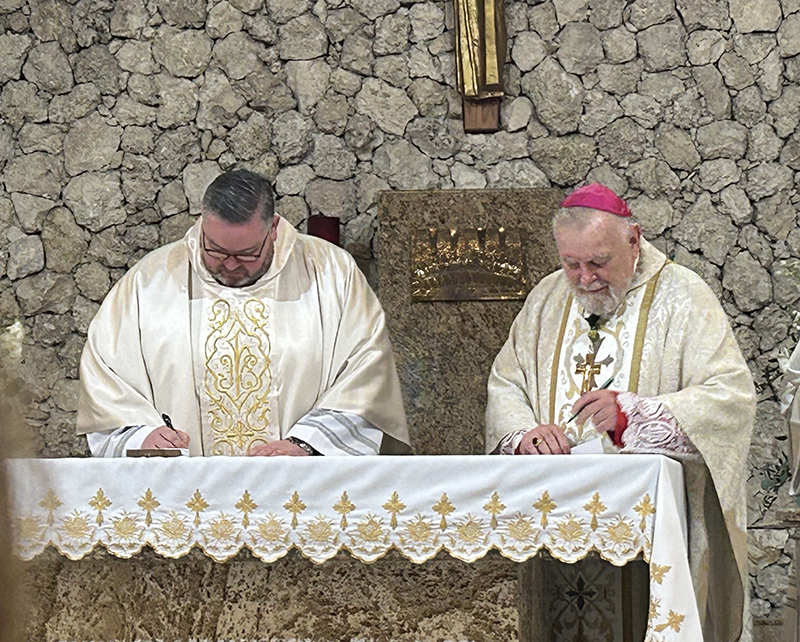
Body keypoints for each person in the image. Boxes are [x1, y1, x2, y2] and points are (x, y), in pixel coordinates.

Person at [485, 183, 754, 641]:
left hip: (653, 527)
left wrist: (635, 415)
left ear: (634, 240)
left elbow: (731, 397)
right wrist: (524, 434)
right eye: (571, 264)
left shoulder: (683, 296)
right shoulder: (546, 299)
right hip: (554, 517)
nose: (584, 278)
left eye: (598, 262)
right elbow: (506, 382)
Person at [78, 169, 410, 457]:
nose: (231, 264)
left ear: (274, 228)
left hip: (301, 488)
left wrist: (308, 444)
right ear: (201, 224)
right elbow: (108, 377)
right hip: (186, 497)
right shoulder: (148, 282)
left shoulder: (331, 273)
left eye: (248, 253)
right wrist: (142, 434)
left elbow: (365, 373)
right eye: (216, 250)